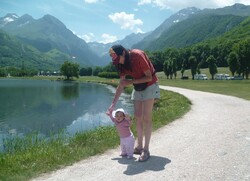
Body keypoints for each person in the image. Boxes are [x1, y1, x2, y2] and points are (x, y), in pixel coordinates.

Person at [106, 44, 160, 162]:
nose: (117, 62)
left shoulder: (138, 55)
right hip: (138, 87)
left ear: (123, 53)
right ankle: (139, 146)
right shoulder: (122, 64)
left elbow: (149, 77)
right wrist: (113, 105)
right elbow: (121, 84)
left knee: (146, 117)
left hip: (150, 85)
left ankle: (146, 150)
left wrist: (130, 81)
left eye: (117, 59)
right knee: (138, 116)